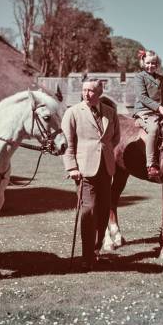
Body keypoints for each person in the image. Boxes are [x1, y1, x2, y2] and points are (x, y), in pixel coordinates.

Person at [62, 79, 121, 271]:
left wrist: (106, 154)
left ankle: (96, 252)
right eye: (84, 90)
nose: (87, 94)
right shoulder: (72, 112)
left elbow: (115, 138)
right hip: (84, 170)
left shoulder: (110, 113)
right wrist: (71, 167)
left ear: (100, 92)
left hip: (106, 168)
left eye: (91, 91)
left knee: (104, 211)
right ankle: (86, 257)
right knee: (89, 211)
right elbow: (68, 143)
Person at [133, 50, 163, 182]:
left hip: (159, 112)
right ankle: (151, 165)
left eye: (154, 63)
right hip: (144, 112)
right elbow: (142, 97)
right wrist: (160, 108)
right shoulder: (140, 77)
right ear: (143, 63)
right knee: (154, 128)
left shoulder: (161, 78)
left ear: (157, 64)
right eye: (148, 63)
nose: (151, 66)